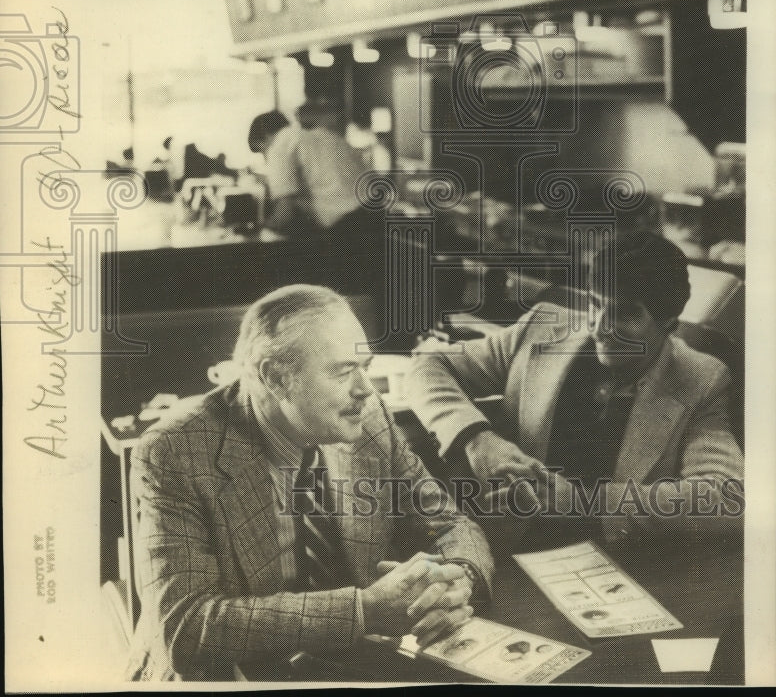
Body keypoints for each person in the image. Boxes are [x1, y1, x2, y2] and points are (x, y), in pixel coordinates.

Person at [128, 285, 492, 681]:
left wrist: (458, 580)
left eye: (364, 367)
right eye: (342, 371)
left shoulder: (369, 421)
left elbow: (449, 523)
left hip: (349, 664)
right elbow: (184, 627)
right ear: (276, 378)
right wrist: (364, 610)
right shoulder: (175, 451)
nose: (365, 390)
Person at [406, 231, 744, 546]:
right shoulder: (541, 330)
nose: (600, 328)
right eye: (596, 304)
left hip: (618, 564)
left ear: (668, 322)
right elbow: (429, 364)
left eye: (624, 314)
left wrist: (583, 502)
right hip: (508, 546)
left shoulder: (701, 379)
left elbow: (728, 499)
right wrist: (477, 439)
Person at [248, 109, 381, 246]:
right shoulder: (325, 135)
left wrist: (258, 228)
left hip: (349, 226)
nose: (265, 158)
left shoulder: (279, 145)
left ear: (267, 136)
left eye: (262, 150)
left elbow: (285, 214)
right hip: (377, 217)